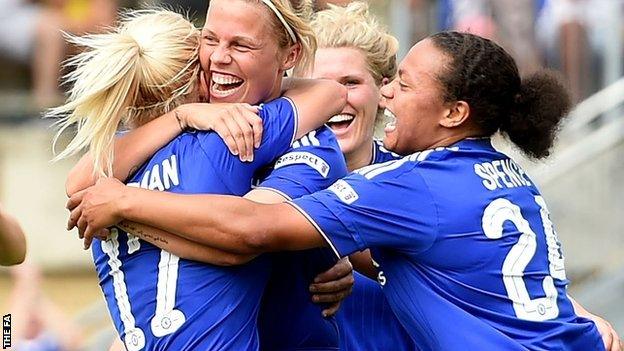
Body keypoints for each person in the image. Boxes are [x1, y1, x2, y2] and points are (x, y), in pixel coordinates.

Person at [71, 31, 618, 350]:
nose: (386, 94)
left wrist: (123, 204)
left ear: (455, 112)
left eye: (400, 83)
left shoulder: (405, 185)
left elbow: (251, 231)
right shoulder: (507, 175)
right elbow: (478, 268)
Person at [53, 5, 346, 351]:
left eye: (241, 45)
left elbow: (243, 236)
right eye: (209, 41)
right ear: (196, 74)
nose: (220, 58)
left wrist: (126, 205)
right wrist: (182, 116)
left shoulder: (111, 169)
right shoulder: (232, 136)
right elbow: (330, 93)